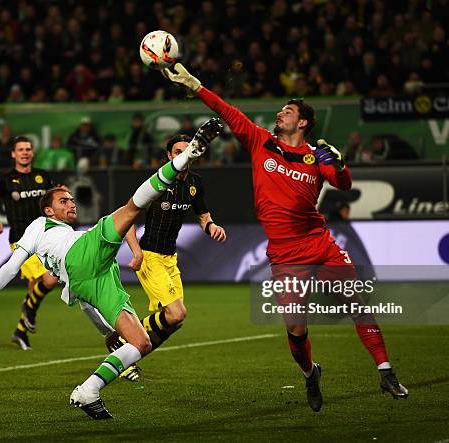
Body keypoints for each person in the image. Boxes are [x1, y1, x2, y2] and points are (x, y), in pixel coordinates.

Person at [162, 63, 408, 412]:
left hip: (319, 243)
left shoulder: (315, 156)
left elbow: (343, 184)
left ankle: (386, 372)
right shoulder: (260, 140)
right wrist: (193, 84)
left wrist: (338, 165)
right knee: (295, 328)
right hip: (284, 253)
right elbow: (225, 109)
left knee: (357, 304)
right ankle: (310, 373)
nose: (280, 113)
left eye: (288, 111)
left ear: (303, 122)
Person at [0, 118, 223, 419]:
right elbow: (10, 267)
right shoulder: (40, 226)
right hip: (82, 259)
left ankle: (88, 390)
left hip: (91, 277)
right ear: (48, 210)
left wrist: (105, 331)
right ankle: (189, 154)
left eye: (71, 199)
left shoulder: (75, 234)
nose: (71, 203)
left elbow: (83, 297)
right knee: (130, 208)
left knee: (140, 343)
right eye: (63, 200)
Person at [88, 134, 227, 380]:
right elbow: (126, 217)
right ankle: (120, 339)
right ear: (170, 156)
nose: (183, 155)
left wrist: (212, 227)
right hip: (150, 256)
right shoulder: (158, 183)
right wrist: (136, 252)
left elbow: (203, 216)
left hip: (170, 259)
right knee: (176, 314)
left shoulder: (195, 183)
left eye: (188, 150)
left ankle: (127, 357)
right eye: (178, 152)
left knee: (175, 322)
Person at [0, 135, 58, 350]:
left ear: (32, 153)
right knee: (48, 281)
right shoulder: (5, 180)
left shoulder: (43, 176)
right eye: (21, 149)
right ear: (13, 154)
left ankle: (20, 331)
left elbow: (55, 198)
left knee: (37, 288)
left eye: (28, 149)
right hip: (21, 241)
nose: (25, 152)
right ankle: (26, 319)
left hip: (46, 238)